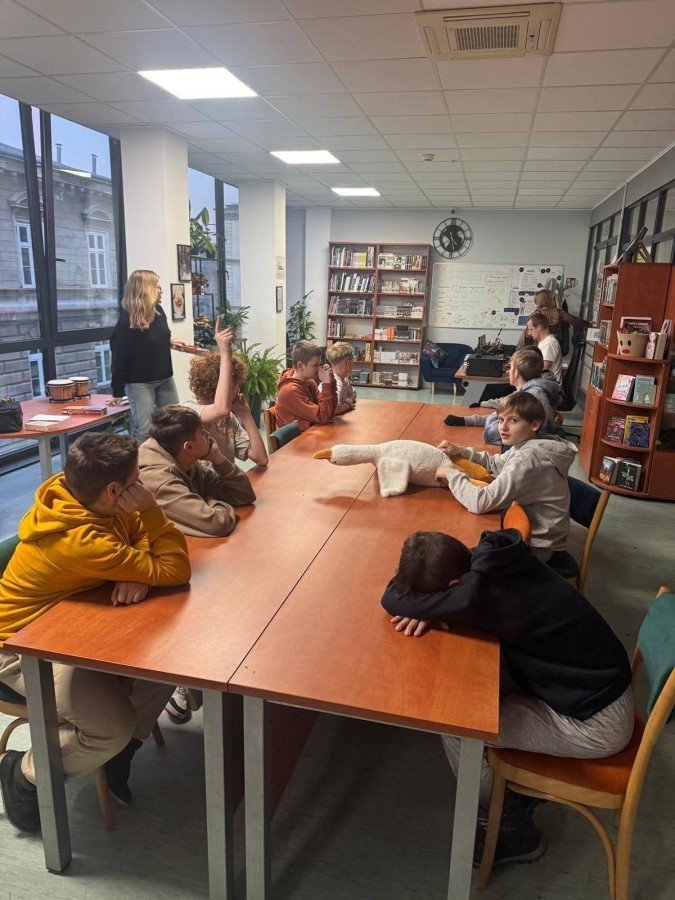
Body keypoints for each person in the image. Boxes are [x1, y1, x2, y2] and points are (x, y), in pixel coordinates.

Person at [381, 528, 634, 868]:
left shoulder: (488, 599)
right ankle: (511, 796)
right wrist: (438, 604)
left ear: (455, 587)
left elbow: (390, 598)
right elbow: (443, 595)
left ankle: (513, 827)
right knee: (481, 691)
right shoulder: (495, 557)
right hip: (592, 687)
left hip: (597, 724)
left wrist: (433, 606)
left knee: (459, 725)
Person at [0, 433, 191, 832]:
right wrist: (150, 516)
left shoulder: (77, 493)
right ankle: (25, 773)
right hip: (20, 650)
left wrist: (139, 573)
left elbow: (138, 536)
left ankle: (121, 753)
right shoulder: (82, 542)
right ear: (114, 490)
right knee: (111, 728)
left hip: (67, 628)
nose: (143, 486)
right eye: (137, 480)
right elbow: (176, 568)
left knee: (166, 661)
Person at [435, 393, 576, 561]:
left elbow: (480, 502)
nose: (503, 427)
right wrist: (461, 451)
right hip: (534, 530)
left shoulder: (527, 459)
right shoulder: (527, 443)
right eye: (501, 420)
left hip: (536, 546)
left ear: (534, 425)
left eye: (513, 420)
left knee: (456, 553)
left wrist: (451, 475)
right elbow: (495, 464)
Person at [138, 405, 256, 538]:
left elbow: (244, 496)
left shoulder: (184, 459)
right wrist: (210, 500)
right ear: (188, 447)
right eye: (202, 433)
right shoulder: (161, 481)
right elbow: (217, 524)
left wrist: (220, 461)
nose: (208, 435)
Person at [184, 316, 269, 467]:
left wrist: (246, 414)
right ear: (220, 387)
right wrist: (225, 352)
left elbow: (261, 458)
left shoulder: (227, 419)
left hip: (226, 480)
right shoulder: (189, 411)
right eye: (234, 385)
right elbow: (220, 409)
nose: (238, 390)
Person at [110, 269, 179, 442]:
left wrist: (171, 341)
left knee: (176, 422)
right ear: (146, 290)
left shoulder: (159, 312)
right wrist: (117, 390)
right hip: (140, 383)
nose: (161, 291)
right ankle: (140, 459)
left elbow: (156, 338)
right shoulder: (126, 323)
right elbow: (119, 358)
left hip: (165, 378)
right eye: (158, 287)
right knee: (145, 430)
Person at [444, 348, 563, 444]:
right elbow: (505, 413)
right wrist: (466, 420)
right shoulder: (530, 391)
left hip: (525, 451)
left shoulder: (532, 398)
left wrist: (491, 418)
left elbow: (494, 432)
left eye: (509, 368)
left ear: (516, 373)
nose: (507, 371)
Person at [275, 340, 337, 431]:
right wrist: (326, 384)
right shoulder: (291, 390)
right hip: (296, 439)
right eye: (315, 365)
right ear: (300, 366)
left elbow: (329, 411)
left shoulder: (310, 382)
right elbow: (322, 417)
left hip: (309, 433)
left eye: (320, 364)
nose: (319, 368)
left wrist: (331, 382)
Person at [526, 311, 563, 382]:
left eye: (531, 330)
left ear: (539, 327)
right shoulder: (543, 342)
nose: (529, 333)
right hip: (544, 382)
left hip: (549, 385)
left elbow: (543, 368)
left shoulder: (549, 343)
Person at [322, 341, 357, 415]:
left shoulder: (344, 379)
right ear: (348, 363)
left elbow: (353, 393)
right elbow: (333, 410)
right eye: (353, 359)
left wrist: (349, 400)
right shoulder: (337, 383)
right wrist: (348, 404)